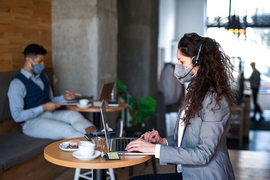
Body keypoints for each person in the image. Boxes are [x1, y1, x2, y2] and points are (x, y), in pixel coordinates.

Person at [125, 33, 236, 180]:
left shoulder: (215, 99)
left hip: (206, 175)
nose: (178, 67)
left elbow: (203, 154)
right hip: (188, 173)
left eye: (182, 62)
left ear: (197, 61)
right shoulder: (195, 91)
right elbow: (188, 139)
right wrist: (162, 142)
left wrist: (154, 149)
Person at [7, 44, 97, 140]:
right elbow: (17, 116)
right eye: (39, 61)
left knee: (74, 115)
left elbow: (49, 99)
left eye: (43, 61)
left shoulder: (43, 77)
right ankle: (92, 146)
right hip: (31, 122)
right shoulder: (17, 84)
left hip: (50, 114)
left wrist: (64, 97)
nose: (42, 64)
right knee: (66, 129)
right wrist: (43, 107)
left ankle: (96, 135)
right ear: (28, 60)